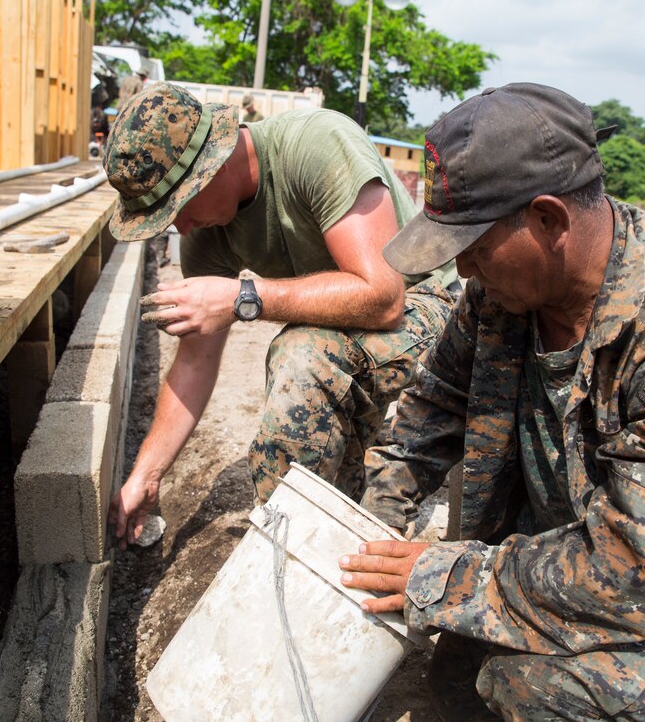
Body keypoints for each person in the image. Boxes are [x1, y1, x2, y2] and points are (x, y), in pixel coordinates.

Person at [339, 83, 645, 720]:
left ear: (549, 220)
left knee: (530, 688)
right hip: (557, 558)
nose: (464, 271)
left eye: (473, 245)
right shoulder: (502, 295)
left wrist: (446, 575)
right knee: (457, 679)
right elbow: (433, 409)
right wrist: (371, 526)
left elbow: (642, 570)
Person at [102, 83, 459, 548]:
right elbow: (195, 361)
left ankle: (283, 550)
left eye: (177, 207)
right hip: (350, 333)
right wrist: (146, 475)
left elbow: (385, 297)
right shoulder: (207, 234)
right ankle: (325, 528)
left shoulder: (317, 145)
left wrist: (243, 298)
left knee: (301, 352)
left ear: (212, 166)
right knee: (337, 495)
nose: (179, 227)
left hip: (430, 309)